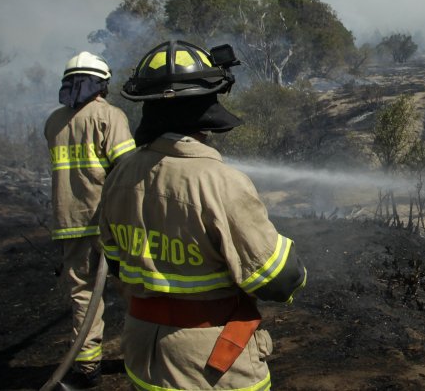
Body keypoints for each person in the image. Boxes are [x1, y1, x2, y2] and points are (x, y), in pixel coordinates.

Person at [98, 40, 306, 390]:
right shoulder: (221, 183)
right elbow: (278, 279)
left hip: (142, 352)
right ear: (207, 104)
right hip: (210, 363)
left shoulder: (120, 175)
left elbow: (116, 261)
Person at [44, 51, 136, 388]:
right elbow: (127, 170)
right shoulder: (109, 116)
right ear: (102, 84)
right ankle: (144, 352)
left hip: (69, 221)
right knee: (135, 285)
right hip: (110, 222)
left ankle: (86, 366)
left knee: (82, 294)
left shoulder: (54, 121)